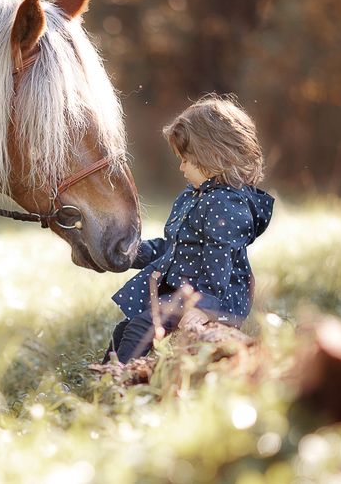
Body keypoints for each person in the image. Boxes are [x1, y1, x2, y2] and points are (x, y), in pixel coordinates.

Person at [104, 94, 274, 364]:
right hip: (187, 290)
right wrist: (130, 252)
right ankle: (107, 374)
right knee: (128, 326)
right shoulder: (194, 196)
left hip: (215, 297)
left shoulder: (225, 205)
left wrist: (205, 308)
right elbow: (172, 249)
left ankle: (117, 380)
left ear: (213, 156)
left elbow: (220, 264)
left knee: (145, 325)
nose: (181, 167)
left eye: (186, 159)